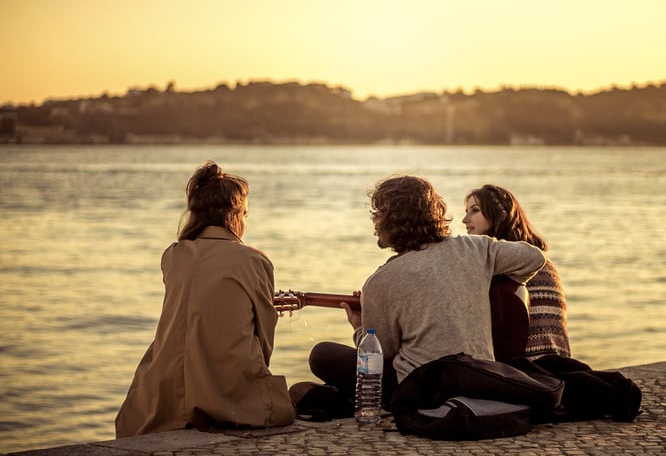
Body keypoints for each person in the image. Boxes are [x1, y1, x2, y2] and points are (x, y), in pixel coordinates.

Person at [291, 175, 546, 418]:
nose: (374, 220)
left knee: (322, 355)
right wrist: (491, 288)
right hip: (480, 379)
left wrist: (359, 328)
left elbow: (382, 354)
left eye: (378, 214)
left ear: (388, 221)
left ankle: (343, 402)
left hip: (423, 392)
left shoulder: (381, 281)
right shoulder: (474, 248)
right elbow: (534, 258)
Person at [115, 161, 294, 438]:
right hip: (227, 396)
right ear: (233, 216)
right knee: (300, 396)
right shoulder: (254, 260)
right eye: (245, 213)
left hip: (163, 395)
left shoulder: (173, 255)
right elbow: (264, 341)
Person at [463, 184, 571, 361]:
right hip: (557, 360)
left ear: (498, 215)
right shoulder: (537, 257)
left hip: (529, 365)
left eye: (474, 211)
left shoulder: (511, 263)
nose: (465, 219)